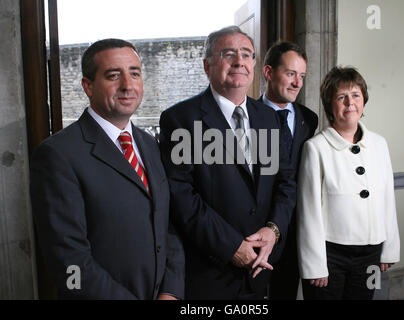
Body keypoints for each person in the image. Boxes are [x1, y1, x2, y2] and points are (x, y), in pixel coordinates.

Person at [30, 38, 184, 299]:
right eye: (114, 75)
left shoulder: (149, 144)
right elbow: (68, 262)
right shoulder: (58, 155)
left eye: (134, 73)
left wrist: (171, 291)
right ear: (87, 86)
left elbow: (168, 225)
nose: (127, 85)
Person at [159, 26, 296, 299]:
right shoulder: (181, 119)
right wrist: (231, 246)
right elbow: (181, 195)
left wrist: (273, 230)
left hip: (261, 268)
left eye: (247, 54)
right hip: (210, 274)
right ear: (207, 65)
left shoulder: (269, 118)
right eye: (228, 54)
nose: (239, 61)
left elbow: (286, 183)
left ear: (254, 65)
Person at [297, 66, 400, 300]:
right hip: (330, 256)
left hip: (370, 255)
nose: (350, 103)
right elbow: (309, 211)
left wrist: (390, 248)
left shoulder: (379, 144)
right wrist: (315, 265)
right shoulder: (316, 148)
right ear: (329, 105)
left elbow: (387, 199)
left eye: (355, 95)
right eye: (341, 97)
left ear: (364, 101)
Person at [259, 41, 318, 300]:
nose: (297, 83)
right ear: (269, 72)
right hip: (260, 227)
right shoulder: (247, 117)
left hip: (300, 229)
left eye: (302, 76)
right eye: (290, 74)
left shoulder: (309, 119)